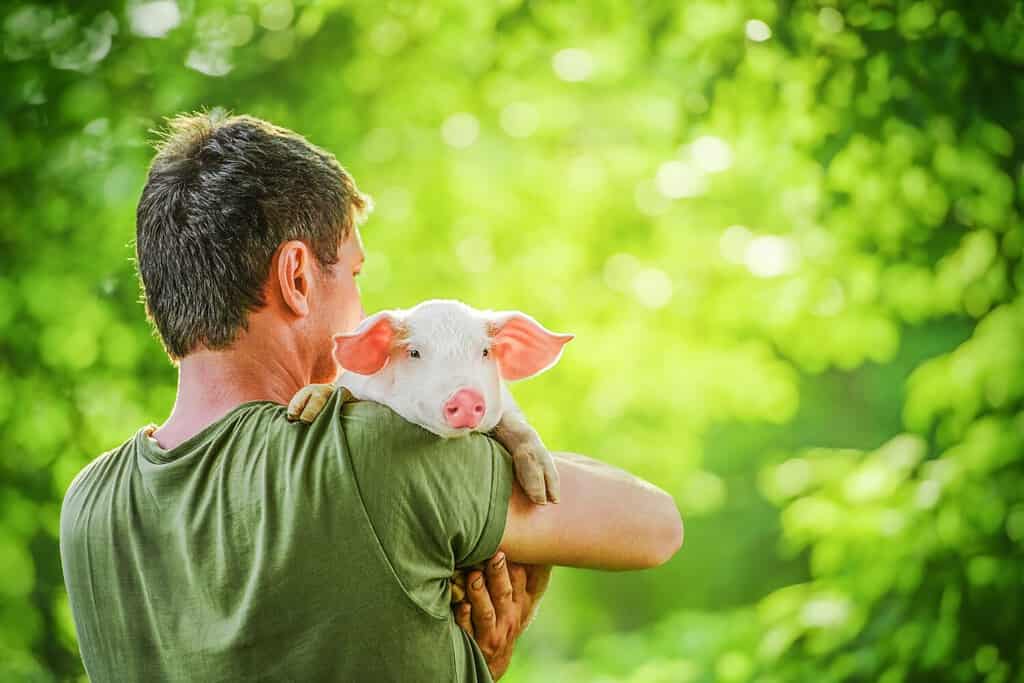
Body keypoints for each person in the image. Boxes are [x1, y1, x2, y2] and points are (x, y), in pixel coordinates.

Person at [59, 111, 684, 682]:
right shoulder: (378, 450)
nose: (364, 309)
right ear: (297, 278)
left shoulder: (90, 507)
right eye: (355, 276)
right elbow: (655, 527)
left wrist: (468, 662)